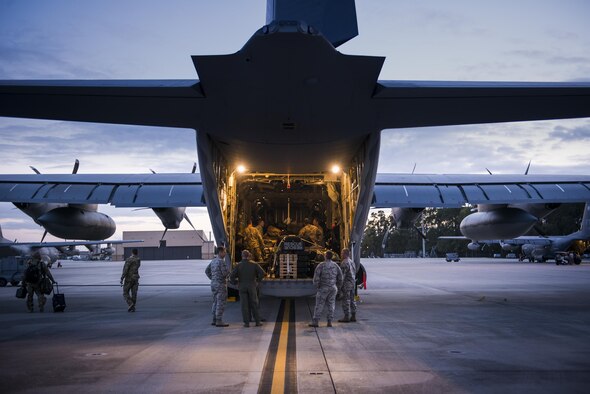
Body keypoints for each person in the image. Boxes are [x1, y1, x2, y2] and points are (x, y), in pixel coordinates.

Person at [230, 250, 265, 327]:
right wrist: (257, 281)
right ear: (249, 255)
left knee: (244, 305)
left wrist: (235, 283)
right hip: (252, 285)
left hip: (242, 286)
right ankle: (257, 322)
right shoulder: (254, 264)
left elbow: (231, 276)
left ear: (242, 256)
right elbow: (262, 273)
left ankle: (246, 323)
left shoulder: (238, 265)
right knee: (254, 304)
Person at [309, 250, 343, 328]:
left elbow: (316, 277)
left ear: (325, 256)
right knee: (331, 304)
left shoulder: (321, 265)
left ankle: (316, 322)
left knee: (319, 305)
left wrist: (317, 286)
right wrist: (338, 286)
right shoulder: (335, 265)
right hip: (333, 288)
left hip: (324, 288)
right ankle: (329, 322)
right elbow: (340, 277)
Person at [205, 246, 230, 327]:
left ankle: (214, 319)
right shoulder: (221, 262)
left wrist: (212, 278)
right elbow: (224, 274)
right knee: (220, 302)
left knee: (215, 302)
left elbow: (207, 271)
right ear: (220, 252)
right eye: (224, 252)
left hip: (214, 284)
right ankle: (219, 321)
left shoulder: (213, 261)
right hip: (220, 284)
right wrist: (228, 270)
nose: (225, 253)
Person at [338, 248, 357, 323]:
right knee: (353, 299)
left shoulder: (344, 262)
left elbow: (342, 276)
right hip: (353, 283)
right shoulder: (351, 261)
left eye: (342, 253)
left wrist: (339, 287)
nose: (341, 254)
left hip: (347, 284)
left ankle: (346, 316)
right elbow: (354, 272)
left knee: (346, 300)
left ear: (345, 254)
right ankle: (353, 316)